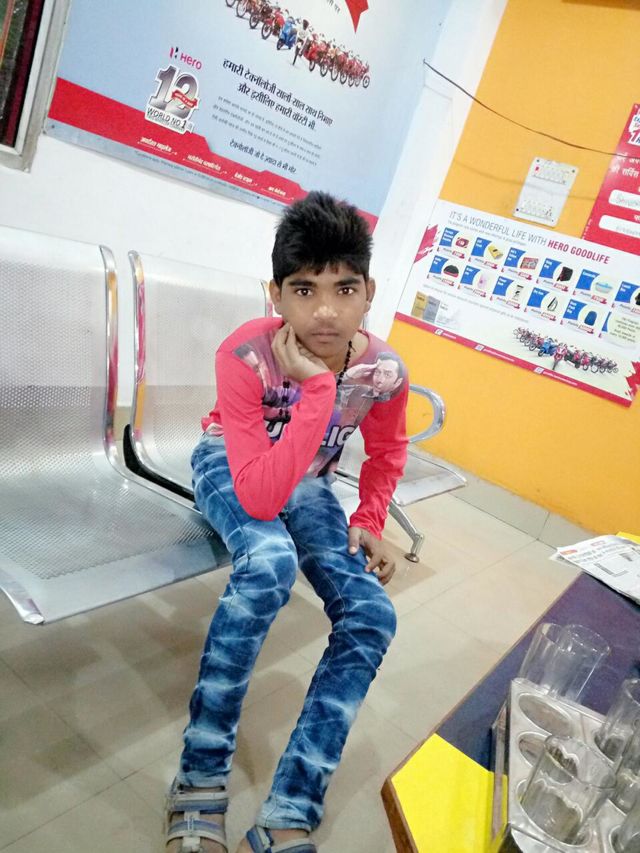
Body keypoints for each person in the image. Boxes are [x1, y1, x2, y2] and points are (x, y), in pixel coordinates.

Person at [165, 191, 409, 853]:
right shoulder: (245, 353)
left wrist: (371, 516)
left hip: (310, 483)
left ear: (368, 293)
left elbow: (388, 450)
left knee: (372, 614)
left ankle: (290, 807)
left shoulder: (385, 372)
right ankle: (199, 774)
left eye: (344, 288)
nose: (325, 311)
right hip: (232, 463)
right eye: (304, 289)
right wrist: (320, 391)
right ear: (275, 294)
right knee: (269, 562)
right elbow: (259, 494)